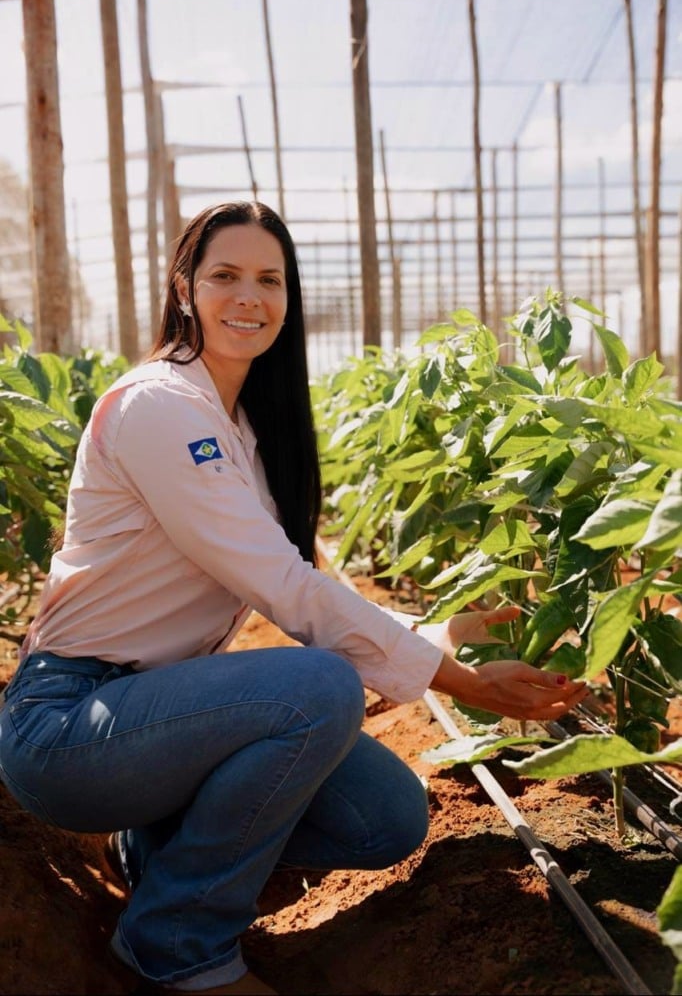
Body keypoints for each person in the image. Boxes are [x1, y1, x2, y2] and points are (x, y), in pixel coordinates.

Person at [0, 201, 587, 996]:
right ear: (184, 288)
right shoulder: (161, 408)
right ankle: (178, 943)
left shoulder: (237, 426)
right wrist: (468, 685)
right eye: (225, 276)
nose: (250, 297)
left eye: (269, 279)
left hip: (148, 717)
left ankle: (152, 854)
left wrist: (431, 630)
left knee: (386, 816)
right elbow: (286, 587)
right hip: (69, 726)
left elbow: (294, 572)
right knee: (319, 688)